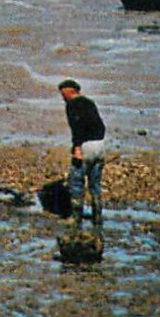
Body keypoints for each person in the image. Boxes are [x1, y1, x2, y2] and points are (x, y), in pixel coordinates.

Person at [57, 78, 106, 226]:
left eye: (62, 94)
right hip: (99, 145)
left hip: (85, 146)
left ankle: (76, 217)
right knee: (95, 184)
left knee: (76, 181)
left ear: (69, 91)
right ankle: (97, 217)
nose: (62, 98)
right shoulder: (89, 102)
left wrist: (77, 148)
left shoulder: (72, 105)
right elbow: (101, 126)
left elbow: (76, 126)